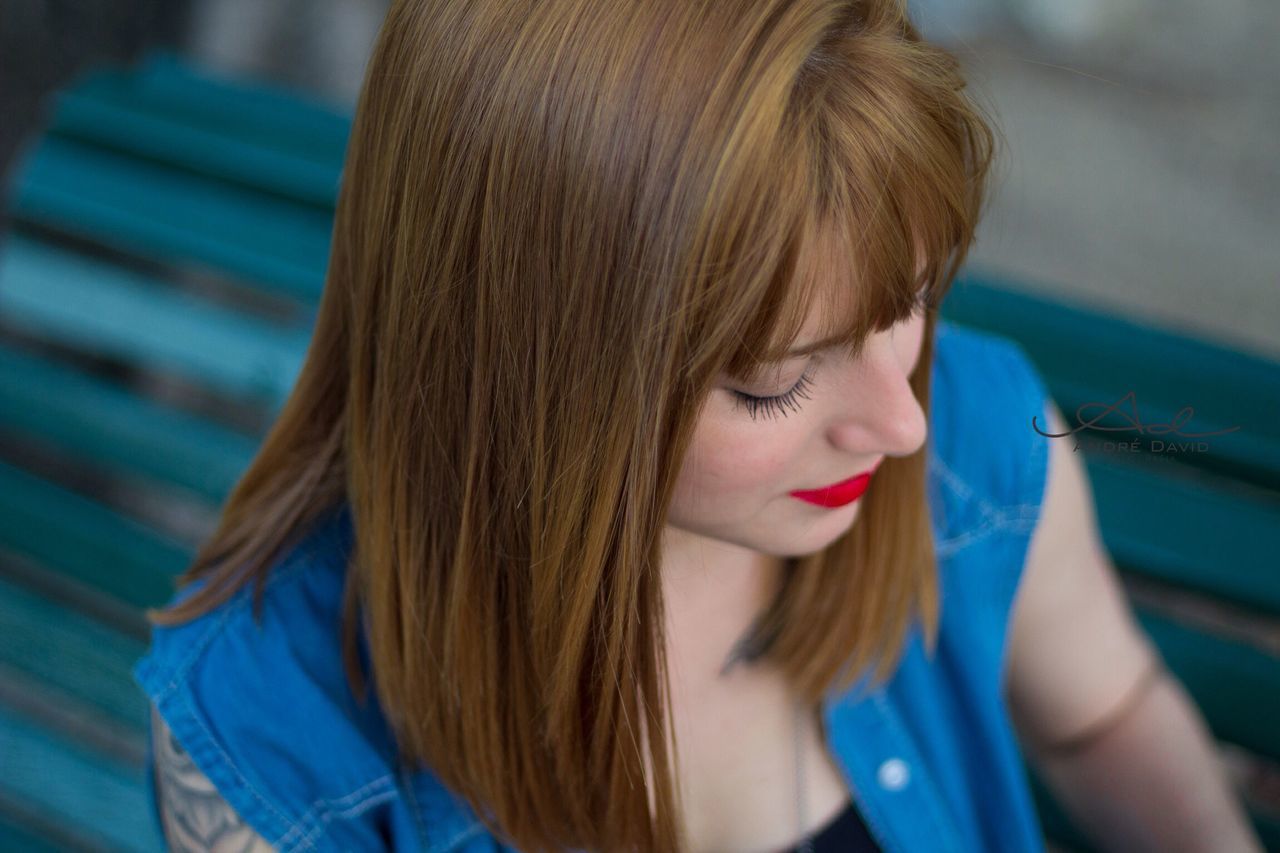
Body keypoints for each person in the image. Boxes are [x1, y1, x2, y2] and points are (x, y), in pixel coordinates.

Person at [132, 0, 1263, 850]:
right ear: (528, 362)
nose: (900, 423)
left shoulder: (976, 433)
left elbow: (1098, 715)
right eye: (773, 379)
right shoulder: (265, 729)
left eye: (908, 300)